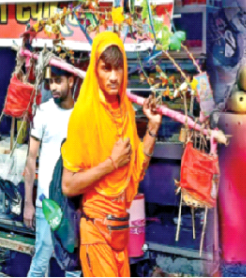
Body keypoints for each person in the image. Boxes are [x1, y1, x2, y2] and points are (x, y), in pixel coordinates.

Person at [61, 32, 162, 277]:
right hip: (96, 230)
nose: (114, 77)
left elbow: (136, 172)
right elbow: (68, 185)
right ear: (95, 70)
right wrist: (111, 163)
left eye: (118, 68)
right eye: (106, 69)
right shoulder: (83, 115)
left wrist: (152, 128)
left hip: (120, 229)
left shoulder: (126, 110)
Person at [23, 66, 80, 277]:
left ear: (71, 81)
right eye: (50, 82)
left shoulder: (81, 114)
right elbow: (31, 160)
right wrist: (28, 204)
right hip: (46, 204)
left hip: (72, 204)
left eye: (58, 81)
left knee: (73, 268)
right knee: (40, 263)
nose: (53, 87)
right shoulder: (43, 112)